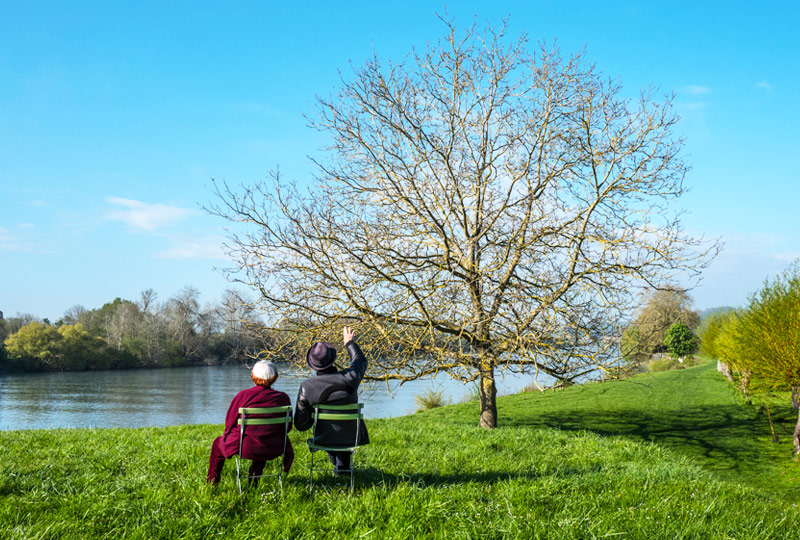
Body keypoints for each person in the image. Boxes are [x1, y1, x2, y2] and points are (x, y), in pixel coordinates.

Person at [294, 326, 369, 474]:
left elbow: (301, 425)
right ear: (333, 359)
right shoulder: (351, 377)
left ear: (312, 363)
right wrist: (349, 343)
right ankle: (342, 468)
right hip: (351, 437)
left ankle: (341, 468)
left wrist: (310, 416)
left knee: (330, 432)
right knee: (342, 432)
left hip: (323, 438)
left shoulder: (307, 386)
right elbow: (361, 360)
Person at [206, 360, 294, 486]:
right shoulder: (283, 398)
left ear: (253, 376)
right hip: (273, 445)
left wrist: (227, 436)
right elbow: (287, 427)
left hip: (244, 445)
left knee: (217, 444)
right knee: (263, 437)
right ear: (275, 377)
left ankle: (212, 482)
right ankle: (253, 482)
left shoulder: (243, 395)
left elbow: (230, 422)